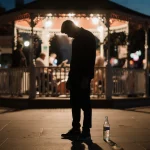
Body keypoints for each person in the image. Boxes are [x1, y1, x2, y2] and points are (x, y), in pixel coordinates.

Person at [61, 20, 96, 141]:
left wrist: (87, 77)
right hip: (75, 76)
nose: (68, 35)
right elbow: (74, 61)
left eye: (67, 32)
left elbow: (90, 59)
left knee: (85, 105)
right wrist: (70, 79)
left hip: (83, 76)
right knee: (75, 103)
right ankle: (76, 129)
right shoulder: (77, 39)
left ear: (72, 27)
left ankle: (86, 131)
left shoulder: (87, 37)